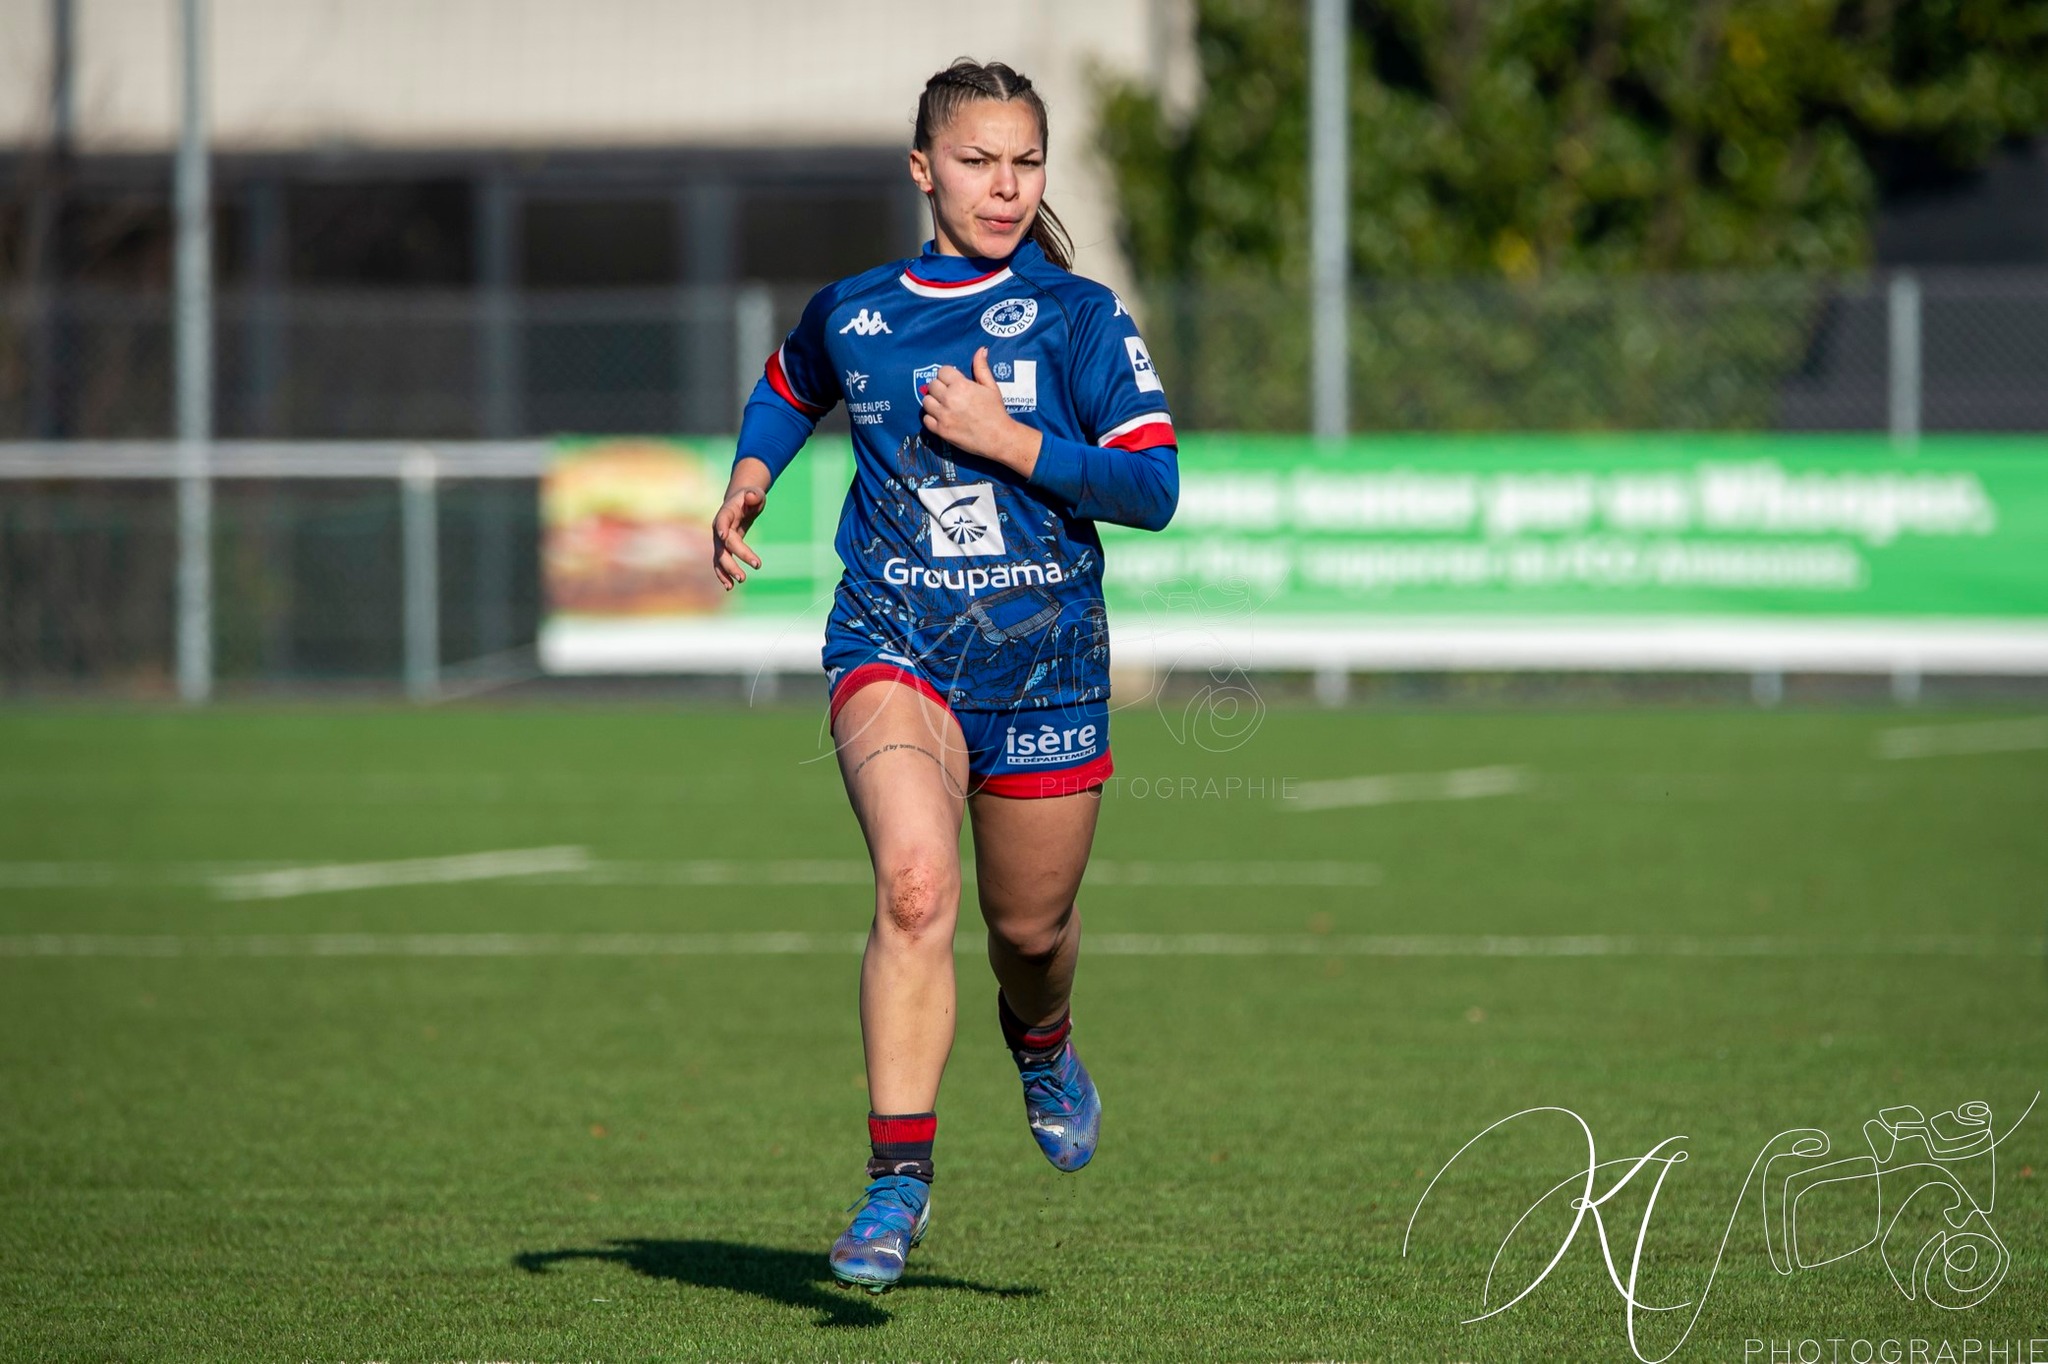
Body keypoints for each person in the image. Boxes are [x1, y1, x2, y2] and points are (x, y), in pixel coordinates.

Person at [711, 57, 1180, 1294]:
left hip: (1043, 667)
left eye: (1025, 161)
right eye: (977, 160)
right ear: (923, 168)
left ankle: (1044, 1038)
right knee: (915, 888)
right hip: (892, 642)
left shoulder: (1079, 317)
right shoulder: (858, 309)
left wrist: (1009, 438)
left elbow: (1153, 486)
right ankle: (894, 1183)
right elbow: (789, 381)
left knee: (1028, 929)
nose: (1004, 185)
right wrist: (749, 476)